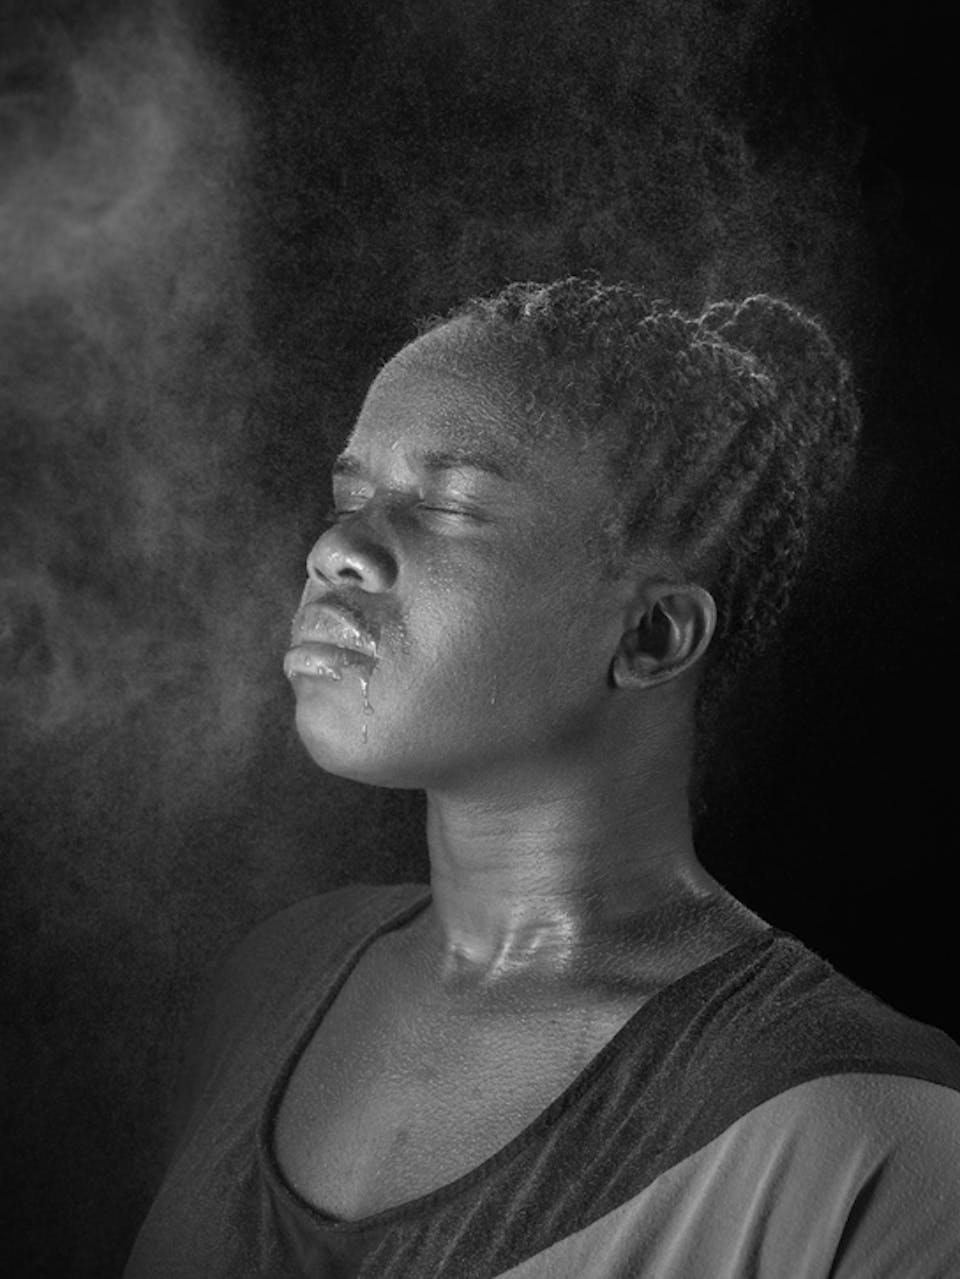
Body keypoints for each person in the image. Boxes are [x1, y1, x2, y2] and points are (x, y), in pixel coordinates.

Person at [125, 278, 960, 1278]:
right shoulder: (267, 981)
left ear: (653, 635)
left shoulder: (871, 1133)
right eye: (350, 498)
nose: (336, 549)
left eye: (448, 505)